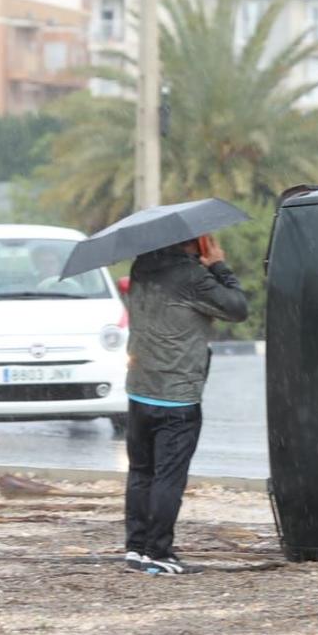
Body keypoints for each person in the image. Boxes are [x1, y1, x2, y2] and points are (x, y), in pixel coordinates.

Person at [123, 232, 249, 575]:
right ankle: (159, 553)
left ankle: (136, 548)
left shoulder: (142, 267)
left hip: (139, 389)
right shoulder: (192, 277)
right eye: (208, 239)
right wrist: (219, 265)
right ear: (196, 242)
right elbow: (238, 308)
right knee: (168, 477)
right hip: (176, 396)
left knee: (141, 472)